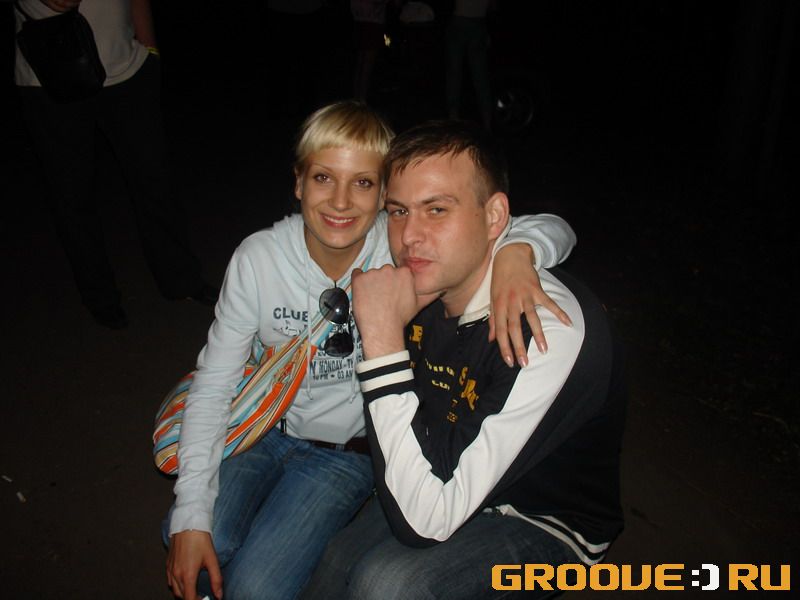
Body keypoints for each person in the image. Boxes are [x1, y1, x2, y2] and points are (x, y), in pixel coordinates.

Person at [162, 101, 577, 600]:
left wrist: (518, 252)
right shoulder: (259, 259)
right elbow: (214, 384)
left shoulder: (405, 249)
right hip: (265, 429)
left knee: (256, 586)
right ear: (299, 183)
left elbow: (552, 225)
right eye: (323, 177)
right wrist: (190, 517)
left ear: (383, 195)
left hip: (347, 456)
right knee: (195, 533)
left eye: (362, 182)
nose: (340, 201)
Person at [303, 120, 625, 599]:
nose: (409, 237)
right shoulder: (429, 275)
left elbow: (425, 522)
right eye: (398, 211)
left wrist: (382, 342)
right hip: (446, 462)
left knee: (390, 584)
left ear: (494, 218)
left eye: (437, 209)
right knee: (336, 557)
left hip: (545, 518)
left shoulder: (545, 331)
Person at [10, 0, 217, 329]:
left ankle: (181, 280)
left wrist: (150, 50)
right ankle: (100, 296)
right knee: (72, 194)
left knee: (155, 181)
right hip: (49, 74)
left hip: (127, 68)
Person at [445, 0, 495, 130]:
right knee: (479, 75)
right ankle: (487, 123)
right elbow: (493, 7)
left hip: (463, 22)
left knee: (456, 73)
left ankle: (454, 118)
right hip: (475, 22)